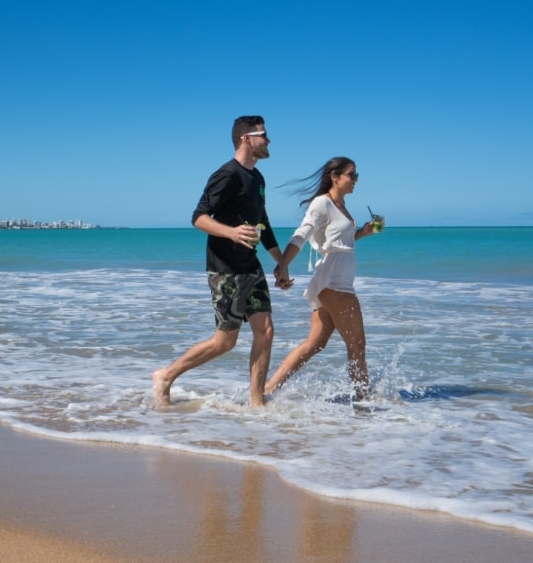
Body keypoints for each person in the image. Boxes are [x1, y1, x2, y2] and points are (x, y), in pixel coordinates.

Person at [152, 116, 289, 408]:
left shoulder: (258, 179)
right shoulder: (226, 174)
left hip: (250, 265)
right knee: (225, 342)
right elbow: (198, 217)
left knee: (265, 331)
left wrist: (281, 263)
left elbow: (263, 222)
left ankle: (257, 403)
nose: (269, 140)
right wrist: (231, 232)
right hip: (225, 268)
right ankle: (165, 375)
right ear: (246, 138)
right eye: (264, 134)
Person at [268, 157, 378, 401]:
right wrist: (283, 264)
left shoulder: (341, 206)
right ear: (335, 176)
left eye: (356, 175)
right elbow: (302, 234)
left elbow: (338, 243)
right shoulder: (322, 203)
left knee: (314, 344)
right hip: (334, 281)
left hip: (335, 280)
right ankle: (364, 401)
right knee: (357, 344)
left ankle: (267, 391)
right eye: (351, 175)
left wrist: (363, 233)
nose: (355, 180)